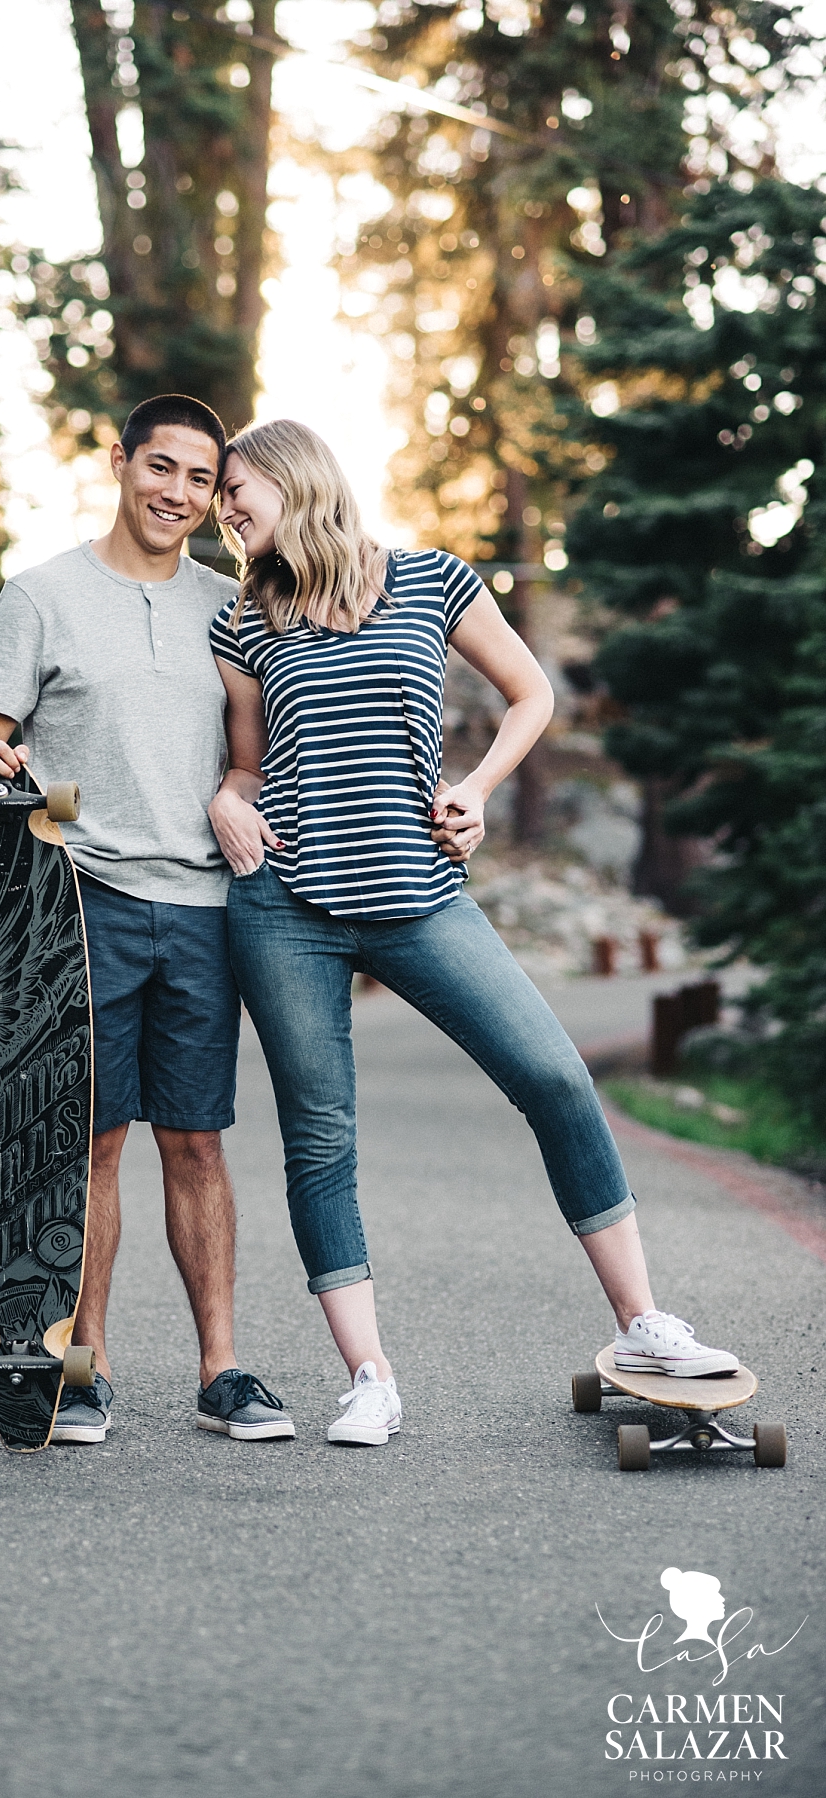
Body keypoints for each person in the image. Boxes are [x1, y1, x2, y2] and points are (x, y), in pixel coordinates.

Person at [206, 418, 739, 1448]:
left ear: (294, 476)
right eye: (222, 494)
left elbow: (531, 691)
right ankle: (368, 1376)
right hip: (285, 905)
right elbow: (247, 765)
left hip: (420, 893)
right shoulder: (247, 622)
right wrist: (227, 801)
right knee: (320, 1139)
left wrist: (481, 788)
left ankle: (643, 1326)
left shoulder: (430, 580)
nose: (226, 507)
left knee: (553, 1077)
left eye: (237, 486)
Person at [0, 394, 293, 1445]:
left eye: (201, 480)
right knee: (89, 1141)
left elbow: (260, 752)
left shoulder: (229, 603)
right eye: (162, 469)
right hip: (77, 903)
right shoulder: (43, 594)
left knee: (197, 1141)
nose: (180, 495)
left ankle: (223, 1368)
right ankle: (80, 1364)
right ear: (120, 462)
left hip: (201, 906)